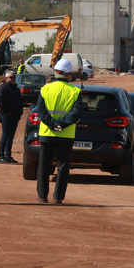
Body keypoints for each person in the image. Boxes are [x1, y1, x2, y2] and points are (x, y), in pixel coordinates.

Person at [32, 58, 83, 204]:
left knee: (43, 165)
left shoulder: (45, 89)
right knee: (63, 166)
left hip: (47, 133)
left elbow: (40, 111)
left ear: (55, 72)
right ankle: (58, 197)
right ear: (69, 74)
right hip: (65, 135)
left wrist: (52, 125)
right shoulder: (75, 91)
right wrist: (61, 125)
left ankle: (42, 196)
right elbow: (75, 114)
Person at [0, 69, 23, 163]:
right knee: (5, 135)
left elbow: (20, 101)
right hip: (6, 115)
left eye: (14, 77)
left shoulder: (16, 89)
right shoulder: (2, 88)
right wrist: (7, 111)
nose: (13, 79)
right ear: (6, 78)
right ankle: (1, 155)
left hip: (15, 115)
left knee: (11, 136)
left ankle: (8, 155)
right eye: (11, 77)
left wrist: (20, 113)